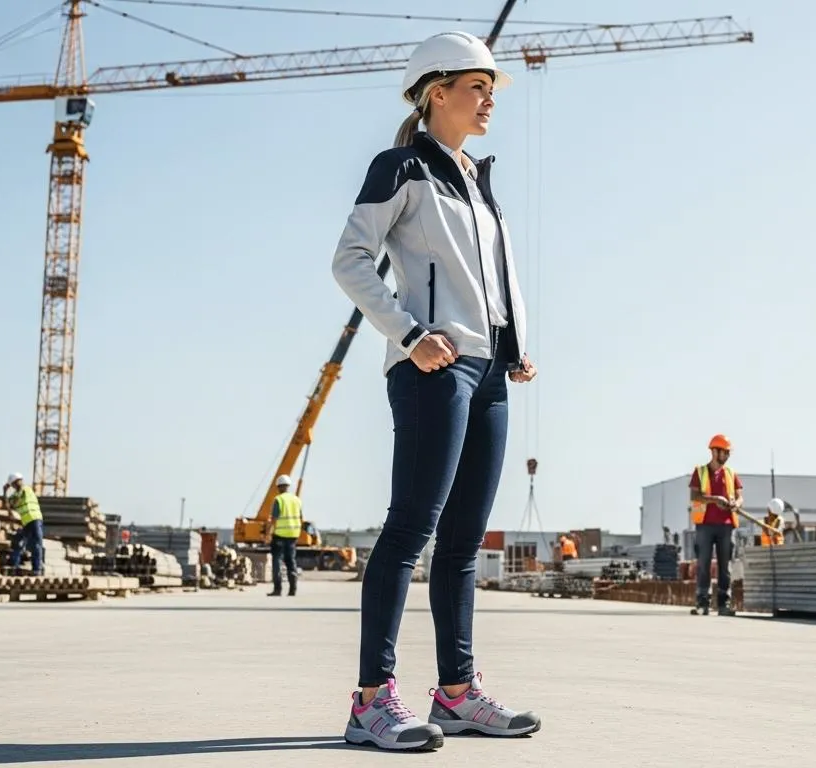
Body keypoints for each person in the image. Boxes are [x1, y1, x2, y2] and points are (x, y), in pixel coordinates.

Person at [329, 30, 541, 752]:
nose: (488, 100)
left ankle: (456, 693)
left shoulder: (479, 181)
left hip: (487, 373)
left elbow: (490, 276)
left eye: (490, 89)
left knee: (462, 544)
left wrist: (512, 345)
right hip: (431, 367)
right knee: (410, 529)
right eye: (476, 87)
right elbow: (350, 260)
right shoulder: (401, 168)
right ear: (435, 92)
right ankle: (369, 702)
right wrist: (411, 333)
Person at [688, 434, 743, 617]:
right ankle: (702, 602)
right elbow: (695, 496)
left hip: (726, 526)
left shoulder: (731, 474)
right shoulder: (700, 472)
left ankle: (723, 604)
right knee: (703, 564)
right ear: (714, 451)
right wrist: (715, 500)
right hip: (705, 525)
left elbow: (740, 495)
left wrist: (737, 503)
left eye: (728, 452)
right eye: (724, 452)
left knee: (725, 566)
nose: (726, 455)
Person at [5, 472, 45, 576]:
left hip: (35, 520)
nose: (18, 484)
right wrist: (4, 492)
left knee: (36, 544)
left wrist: (7, 493)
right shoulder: (16, 494)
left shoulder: (26, 489)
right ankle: (15, 567)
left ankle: (37, 570)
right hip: (26, 522)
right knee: (19, 543)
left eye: (17, 482)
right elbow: (8, 504)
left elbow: (15, 501)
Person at [268, 474, 301, 597]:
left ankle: (278, 589)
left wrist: (268, 534)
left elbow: (274, 519)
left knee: (277, 561)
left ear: (278, 487)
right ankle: (293, 590)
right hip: (293, 535)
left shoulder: (279, 500)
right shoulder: (297, 500)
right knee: (291, 561)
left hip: (280, 535)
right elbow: (300, 518)